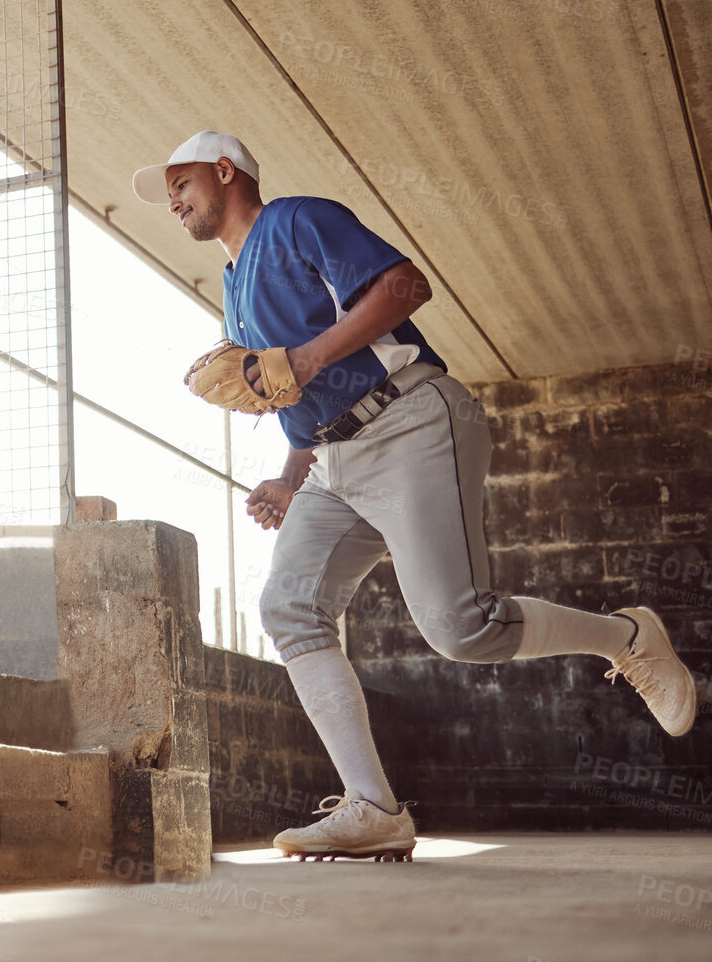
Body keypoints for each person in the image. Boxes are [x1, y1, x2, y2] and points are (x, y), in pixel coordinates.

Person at [133, 130, 696, 861]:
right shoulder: (232, 287)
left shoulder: (297, 218)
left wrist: (304, 356)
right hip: (332, 460)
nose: (172, 200)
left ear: (223, 170)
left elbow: (405, 287)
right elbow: (299, 394)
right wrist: (287, 475)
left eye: (179, 182)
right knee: (288, 606)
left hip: (410, 422)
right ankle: (371, 805)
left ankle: (631, 637)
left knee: (460, 630)